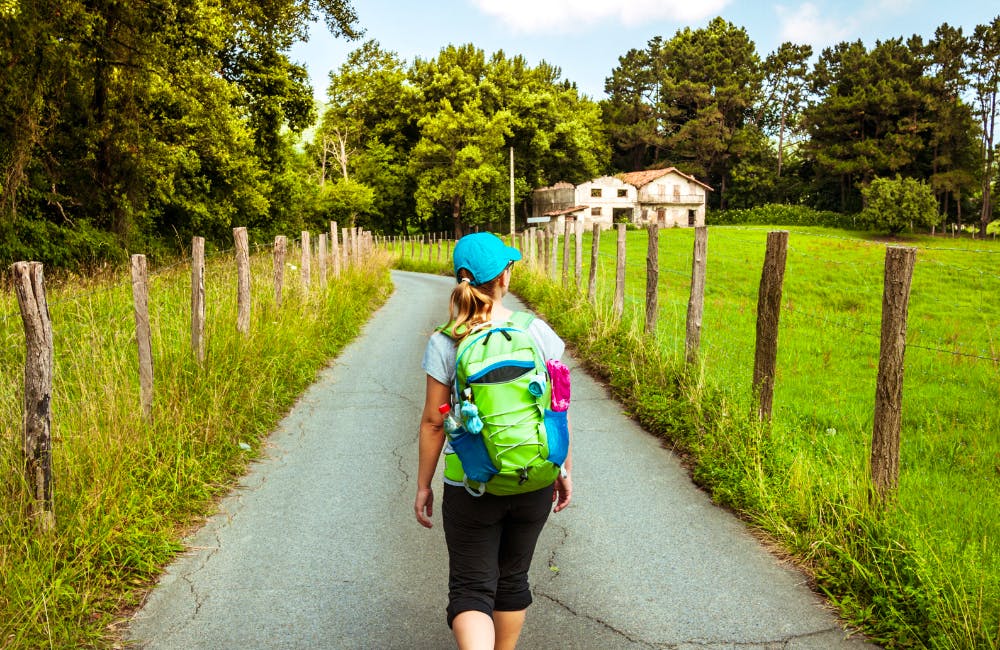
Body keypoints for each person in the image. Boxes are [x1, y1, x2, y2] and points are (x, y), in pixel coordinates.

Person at [415, 232, 573, 650]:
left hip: (472, 481)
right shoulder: (535, 331)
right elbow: (557, 406)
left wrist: (423, 485)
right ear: (505, 276)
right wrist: (562, 467)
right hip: (534, 477)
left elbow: (434, 421)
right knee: (513, 580)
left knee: (471, 588)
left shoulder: (445, 340)